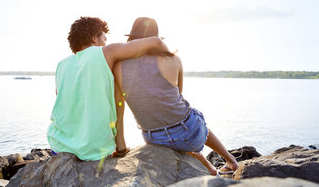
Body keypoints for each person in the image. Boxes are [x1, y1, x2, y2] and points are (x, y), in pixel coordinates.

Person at [113, 17, 239, 175]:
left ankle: (209, 168)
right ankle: (231, 160)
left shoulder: (118, 67)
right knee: (187, 117)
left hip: (153, 138)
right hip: (188, 132)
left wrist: (121, 146)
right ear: (156, 38)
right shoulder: (173, 60)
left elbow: (119, 108)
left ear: (131, 39)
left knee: (176, 127)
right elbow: (178, 97)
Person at [47, 16, 170, 161]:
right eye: (104, 38)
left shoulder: (62, 64)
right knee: (118, 85)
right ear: (94, 38)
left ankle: (116, 144)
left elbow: (60, 96)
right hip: (94, 148)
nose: (106, 42)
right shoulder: (105, 52)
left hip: (58, 144)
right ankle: (121, 145)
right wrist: (169, 57)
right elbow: (156, 41)